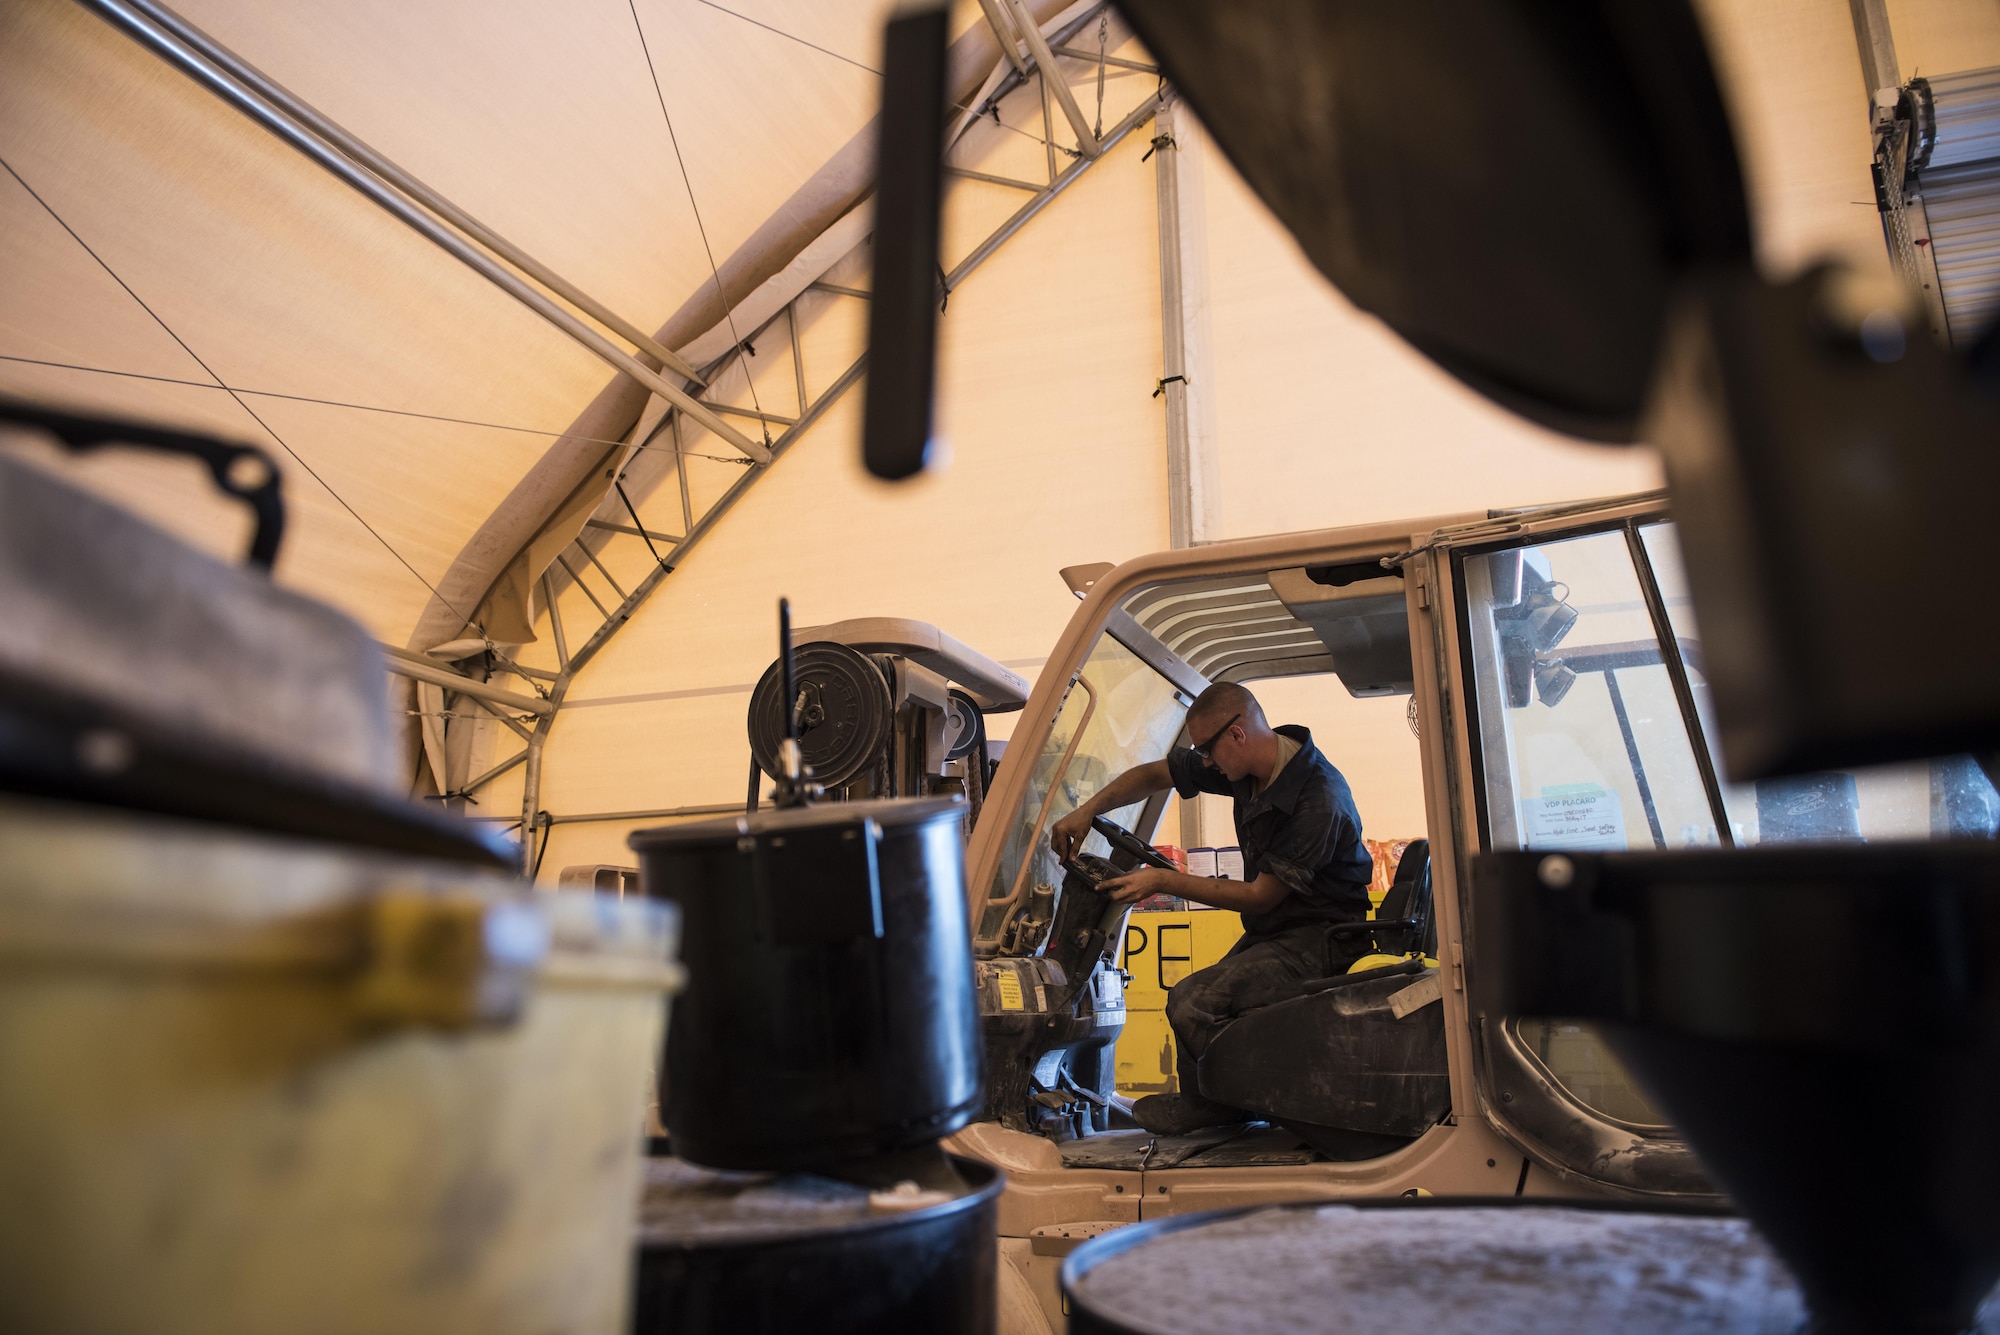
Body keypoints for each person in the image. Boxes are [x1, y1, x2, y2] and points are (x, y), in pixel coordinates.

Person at [1049, 681, 1374, 1136]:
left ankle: (1222, 1105)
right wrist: (1087, 810)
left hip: (1321, 939)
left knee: (1193, 1002)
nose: (1204, 762)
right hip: (1279, 932)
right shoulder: (1242, 766)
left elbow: (1263, 895)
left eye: (1206, 750)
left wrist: (1163, 880)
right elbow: (1154, 775)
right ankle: (1223, 1100)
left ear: (1236, 735)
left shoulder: (1318, 799)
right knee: (1193, 999)